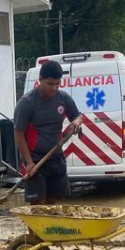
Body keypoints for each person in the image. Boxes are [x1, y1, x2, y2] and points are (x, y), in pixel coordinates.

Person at [13, 60, 84, 205]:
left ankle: (53, 228)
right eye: (50, 84)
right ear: (40, 80)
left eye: (58, 84)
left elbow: (78, 115)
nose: (54, 88)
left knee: (55, 205)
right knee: (38, 206)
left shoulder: (63, 99)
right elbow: (19, 134)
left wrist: (76, 122)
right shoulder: (27, 103)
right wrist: (28, 162)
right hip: (35, 160)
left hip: (56, 158)